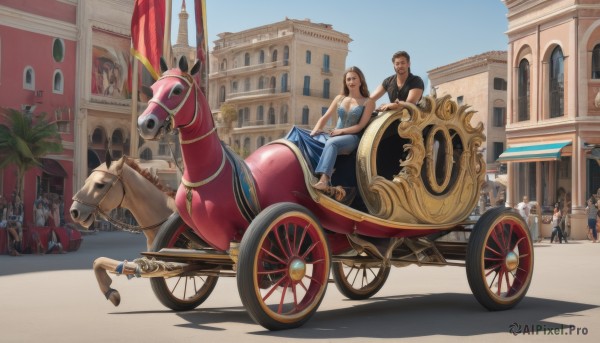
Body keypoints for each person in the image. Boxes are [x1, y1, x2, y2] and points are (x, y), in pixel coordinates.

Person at [310, 66, 375, 191]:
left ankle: (324, 180)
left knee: (332, 143)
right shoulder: (339, 98)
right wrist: (316, 130)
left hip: (352, 137)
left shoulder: (368, 101)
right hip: (335, 134)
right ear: (345, 82)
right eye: (348, 79)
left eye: (354, 78)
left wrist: (341, 131)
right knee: (306, 136)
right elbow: (325, 117)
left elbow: (360, 126)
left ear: (360, 81)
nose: (351, 82)